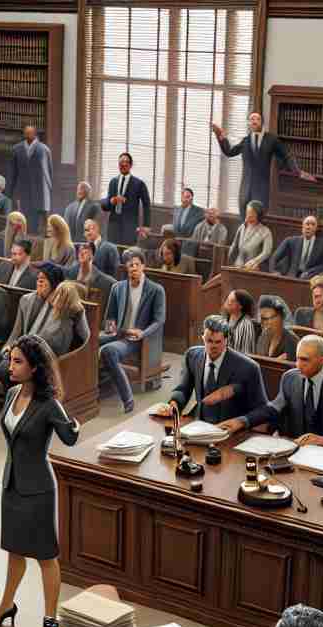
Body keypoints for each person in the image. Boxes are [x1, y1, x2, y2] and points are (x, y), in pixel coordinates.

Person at [0, 337, 80, 627]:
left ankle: (51, 619)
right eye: (10, 360)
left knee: (45, 557)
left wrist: (72, 423)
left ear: (35, 367)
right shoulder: (12, 393)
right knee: (14, 551)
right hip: (11, 484)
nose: (10, 366)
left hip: (38, 490)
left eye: (17, 361)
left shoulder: (49, 404)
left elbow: (70, 438)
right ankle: (6, 605)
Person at [222, 334, 323, 449]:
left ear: (321, 359)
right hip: (298, 453)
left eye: (305, 360)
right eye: (297, 359)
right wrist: (243, 421)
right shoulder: (290, 378)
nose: (299, 365)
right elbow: (273, 408)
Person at [155, 314, 265, 426]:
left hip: (231, 430)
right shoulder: (192, 356)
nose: (213, 346)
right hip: (198, 424)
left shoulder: (249, 367)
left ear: (227, 340)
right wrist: (174, 403)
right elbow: (183, 389)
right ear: (202, 336)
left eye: (218, 342)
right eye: (209, 341)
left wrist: (241, 422)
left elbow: (262, 410)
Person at [99, 251, 166, 413]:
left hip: (137, 339)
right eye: (130, 265)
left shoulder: (156, 290)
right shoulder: (117, 288)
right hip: (118, 334)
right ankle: (96, 387)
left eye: (137, 264)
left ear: (143, 266)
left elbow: (159, 320)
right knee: (86, 341)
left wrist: (142, 333)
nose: (133, 268)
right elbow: (110, 317)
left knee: (109, 351)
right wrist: (110, 328)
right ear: (126, 268)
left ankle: (127, 398)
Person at [212, 110, 312, 211]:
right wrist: (220, 136)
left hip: (261, 191)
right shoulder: (245, 141)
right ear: (248, 123)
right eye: (252, 119)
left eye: (257, 119)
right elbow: (229, 152)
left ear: (262, 122)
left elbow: (286, 155)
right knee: (245, 221)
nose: (254, 121)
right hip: (245, 191)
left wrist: (298, 172)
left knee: (259, 219)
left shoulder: (271, 140)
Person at [102, 151, 150, 245]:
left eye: (126, 162)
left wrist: (146, 225)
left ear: (131, 165)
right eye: (121, 162)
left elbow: (146, 204)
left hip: (130, 228)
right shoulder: (113, 182)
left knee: (127, 255)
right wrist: (112, 201)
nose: (123, 164)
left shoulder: (139, 183)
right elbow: (106, 206)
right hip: (113, 227)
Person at [7, 124, 53, 220]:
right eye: (26, 132)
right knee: (22, 219)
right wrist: (10, 191)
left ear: (35, 134)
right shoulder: (16, 149)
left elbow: (49, 172)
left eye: (31, 132)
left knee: (40, 220)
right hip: (23, 190)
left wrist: (49, 188)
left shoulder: (44, 149)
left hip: (40, 189)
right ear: (24, 133)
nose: (28, 134)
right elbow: (12, 172)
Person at [270, 214, 323, 279]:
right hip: (291, 277)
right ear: (302, 226)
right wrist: (274, 271)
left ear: (317, 228)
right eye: (307, 224)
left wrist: (311, 273)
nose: (309, 227)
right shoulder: (290, 241)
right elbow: (274, 258)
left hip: (312, 279)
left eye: (313, 224)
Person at [229, 200, 274, 270]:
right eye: (247, 212)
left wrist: (255, 261)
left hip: (253, 268)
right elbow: (234, 246)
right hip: (237, 266)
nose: (248, 215)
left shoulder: (266, 231)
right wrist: (229, 262)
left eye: (251, 213)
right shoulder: (242, 227)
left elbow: (266, 252)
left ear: (258, 214)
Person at [254, 293, 299, 359]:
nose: (262, 323)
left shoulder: (292, 342)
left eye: (266, 318)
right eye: (261, 319)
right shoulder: (262, 336)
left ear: (280, 317)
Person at [222, 289, 259, 355]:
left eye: (232, 301)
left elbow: (245, 354)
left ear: (240, 306)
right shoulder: (224, 320)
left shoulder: (246, 325)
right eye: (227, 299)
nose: (228, 303)